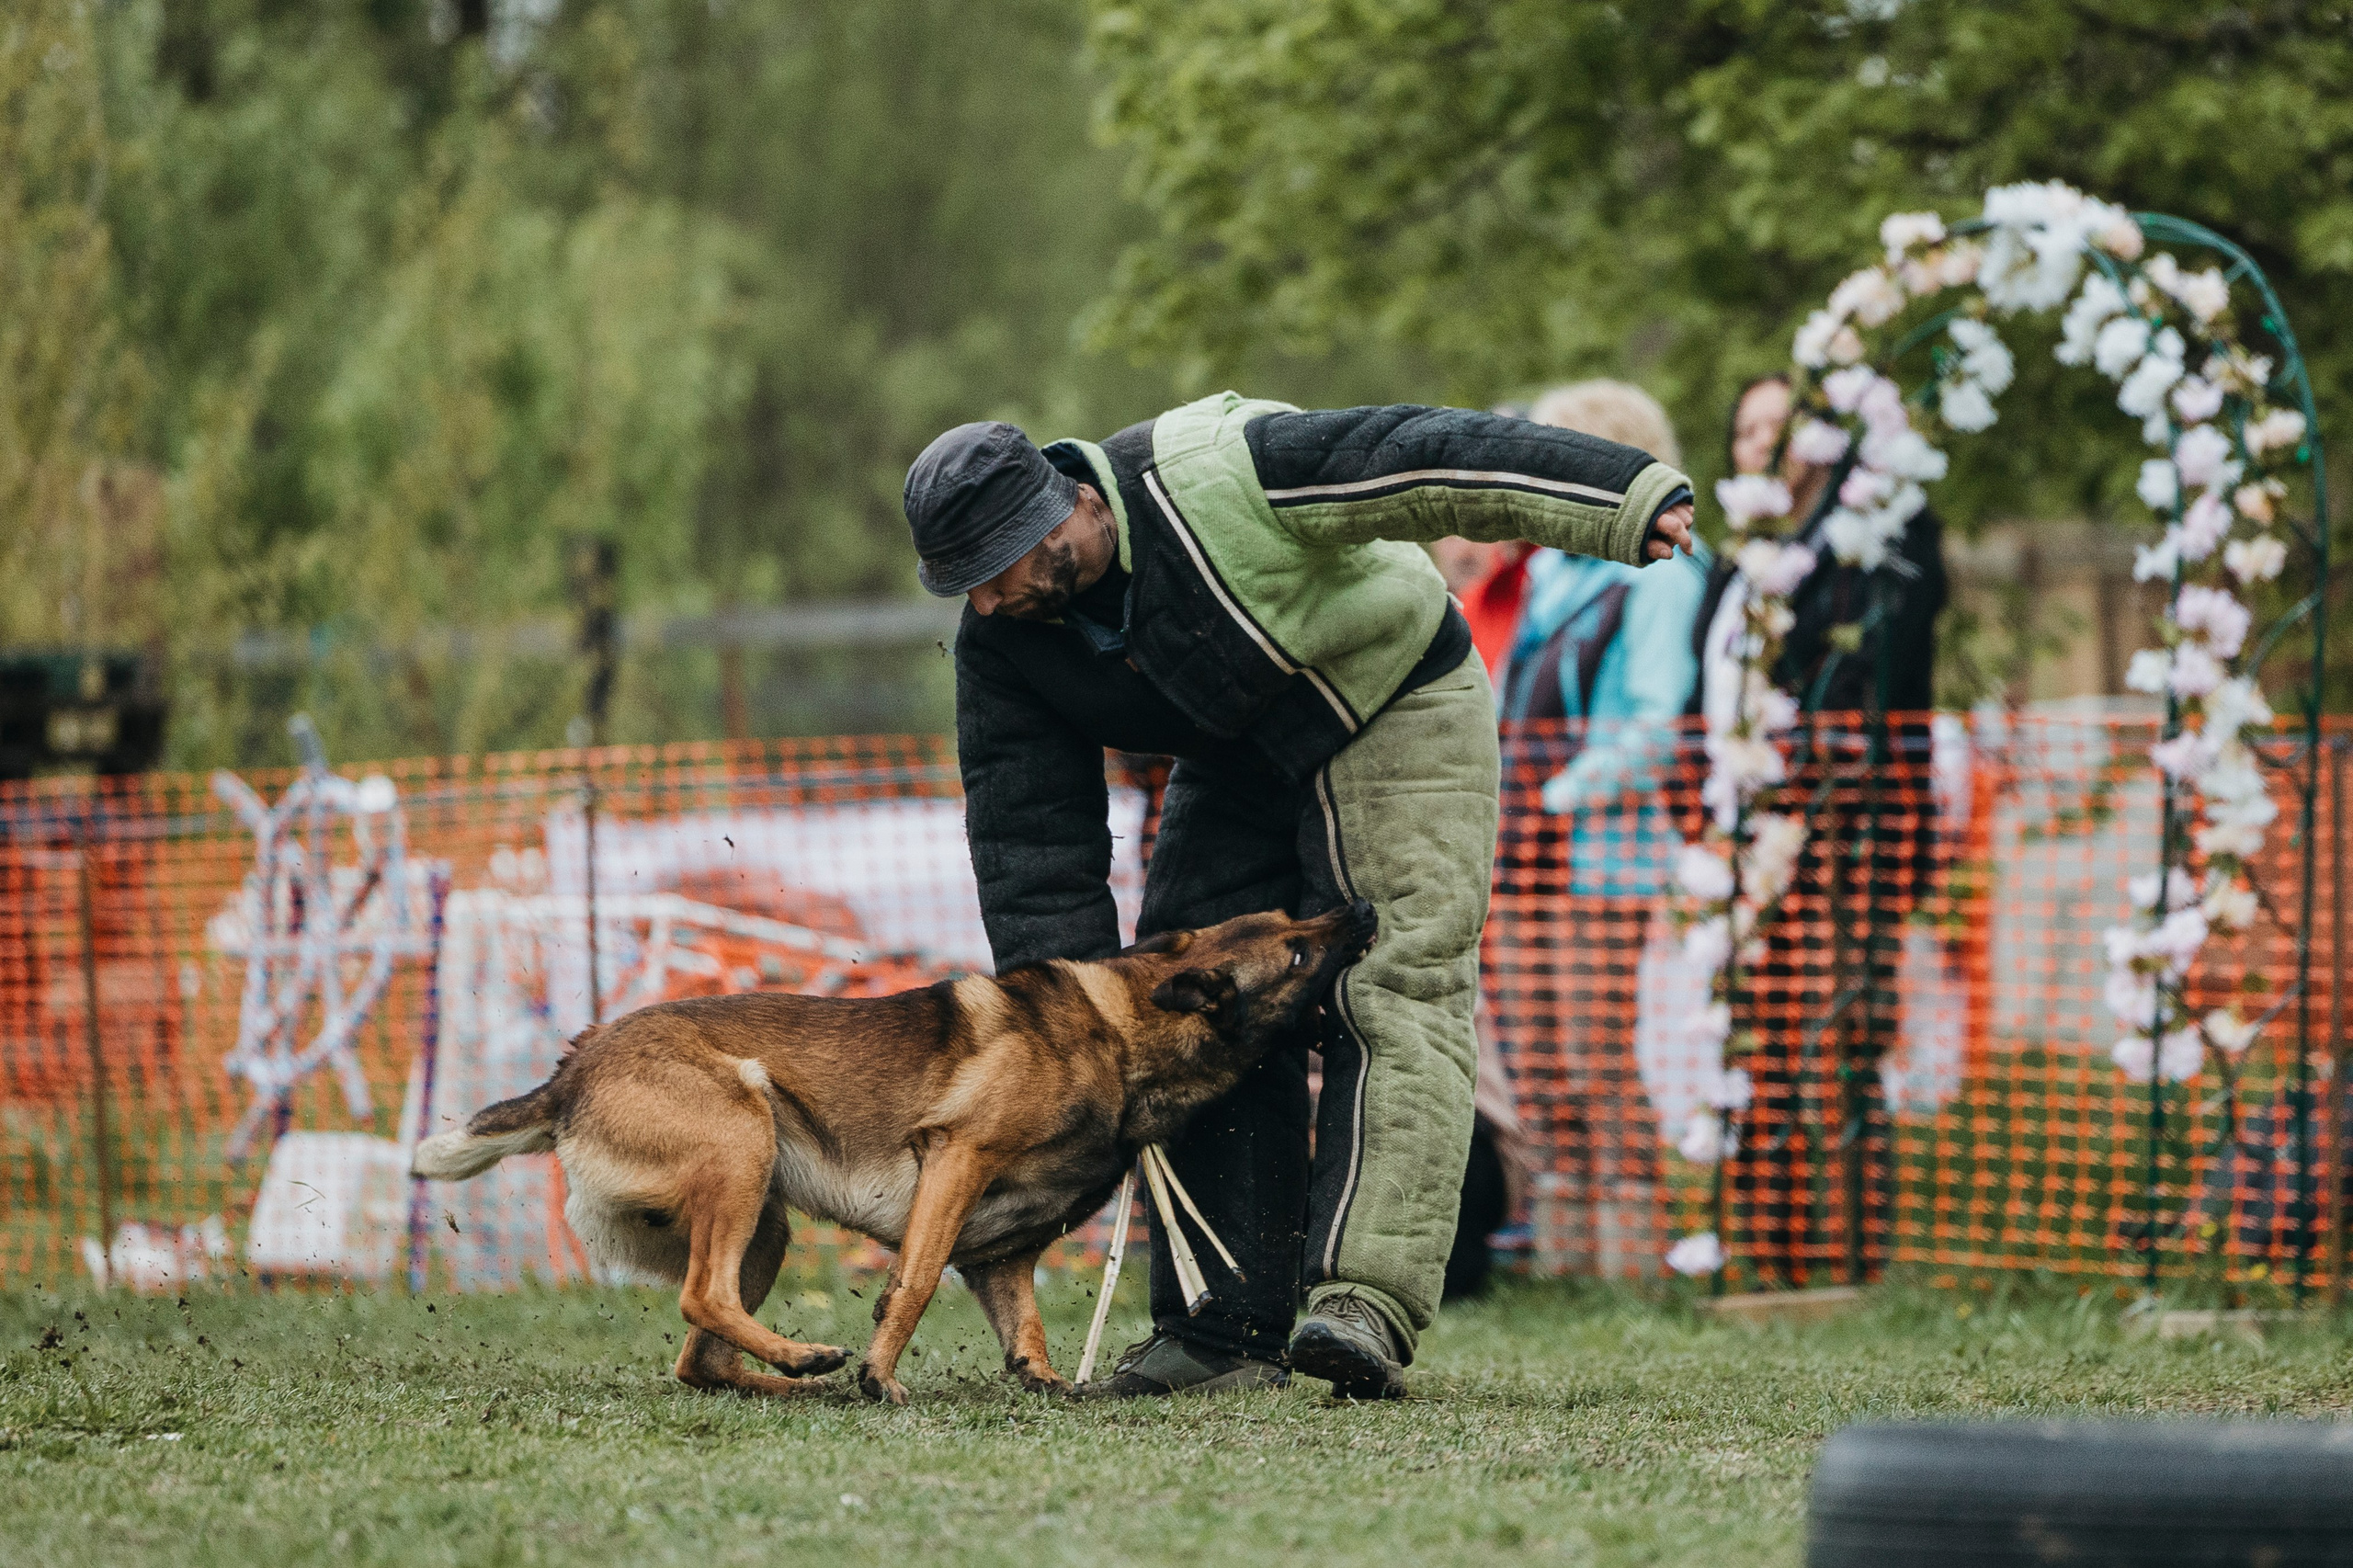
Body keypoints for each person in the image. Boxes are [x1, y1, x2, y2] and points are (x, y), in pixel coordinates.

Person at [903, 394, 1694, 1396]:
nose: (982, 602)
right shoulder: (1003, 644)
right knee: (1179, 1006)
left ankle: (1364, 1301)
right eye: (961, 584)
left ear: (1058, 516)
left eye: (992, 569)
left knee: (1393, 983)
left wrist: (1618, 497)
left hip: (1396, 701)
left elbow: (1418, 457)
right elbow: (1028, 838)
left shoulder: (1215, 472)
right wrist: (1078, 1032)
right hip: (1236, 752)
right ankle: (1220, 1329)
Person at [1696, 372, 1948, 1285]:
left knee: (1835, 1039)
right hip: (1738, 840)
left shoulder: (1882, 537)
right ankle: (1768, 1252)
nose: (1763, 442)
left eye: (1782, 425)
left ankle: (1844, 1256)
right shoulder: (1736, 563)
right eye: (1746, 428)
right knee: (1754, 1043)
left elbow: (1875, 666)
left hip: (1844, 836)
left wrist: (1800, 799)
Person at [1492, 381, 1709, 1278]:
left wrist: (1558, 796)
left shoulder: (1661, 574)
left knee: (1595, 1056)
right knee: (1537, 1063)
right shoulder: (1545, 575)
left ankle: (1630, 1259)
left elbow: (1656, 723)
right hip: (1519, 853)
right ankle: (1564, 1255)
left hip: (1597, 854)